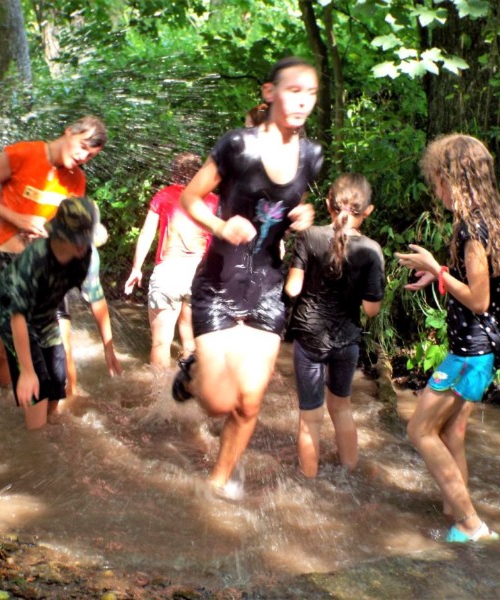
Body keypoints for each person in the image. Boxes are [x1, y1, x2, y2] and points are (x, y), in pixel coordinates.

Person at [173, 57, 323, 498]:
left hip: (268, 287)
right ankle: (192, 371)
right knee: (219, 403)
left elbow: (293, 203)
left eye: (311, 93)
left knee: (250, 401)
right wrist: (221, 226)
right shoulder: (236, 146)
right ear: (269, 93)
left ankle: (218, 482)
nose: (303, 101)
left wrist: (304, 214)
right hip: (218, 282)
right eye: (294, 90)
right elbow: (190, 198)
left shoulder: (312, 156)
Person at [395, 134, 500, 543]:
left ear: (455, 179)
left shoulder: (472, 229)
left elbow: (480, 300)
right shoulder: (491, 221)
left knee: (419, 430)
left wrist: (437, 269)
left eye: (438, 181)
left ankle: (470, 524)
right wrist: (443, 275)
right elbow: (499, 285)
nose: (436, 190)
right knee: (450, 433)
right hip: (482, 350)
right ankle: (455, 511)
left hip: (469, 352)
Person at [0, 116, 120, 391]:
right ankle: (5, 408)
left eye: (90, 155)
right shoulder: (21, 154)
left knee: (63, 349)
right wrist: (18, 219)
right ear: (69, 131)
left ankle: (64, 415)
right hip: (4, 263)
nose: (83, 157)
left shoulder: (76, 180)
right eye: (83, 147)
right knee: (2, 352)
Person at [284, 174, 384, 476]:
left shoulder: (309, 236)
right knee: (341, 409)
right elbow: (371, 309)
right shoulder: (372, 250)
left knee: (310, 418)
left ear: (328, 203)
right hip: (346, 341)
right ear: (368, 211)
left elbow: (292, 289)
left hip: (309, 338)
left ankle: (309, 481)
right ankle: (349, 475)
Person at [0, 196, 112, 430]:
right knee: (36, 384)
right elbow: (17, 316)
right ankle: (34, 437)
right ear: (61, 236)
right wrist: (27, 371)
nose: (84, 246)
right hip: (12, 313)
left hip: (45, 313)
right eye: (79, 240)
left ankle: (46, 425)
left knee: (57, 380)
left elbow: (96, 298)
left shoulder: (86, 256)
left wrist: (108, 348)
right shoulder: (35, 259)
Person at [123, 153, 219, 368]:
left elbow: (147, 233)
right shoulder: (214, 201)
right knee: (190, 340)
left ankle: (158, 389)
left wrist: (137, 268)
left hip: (169, 272)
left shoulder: (163, 195)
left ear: (175, 173)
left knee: (160, 343)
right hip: (199, 274)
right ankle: (188, 384)